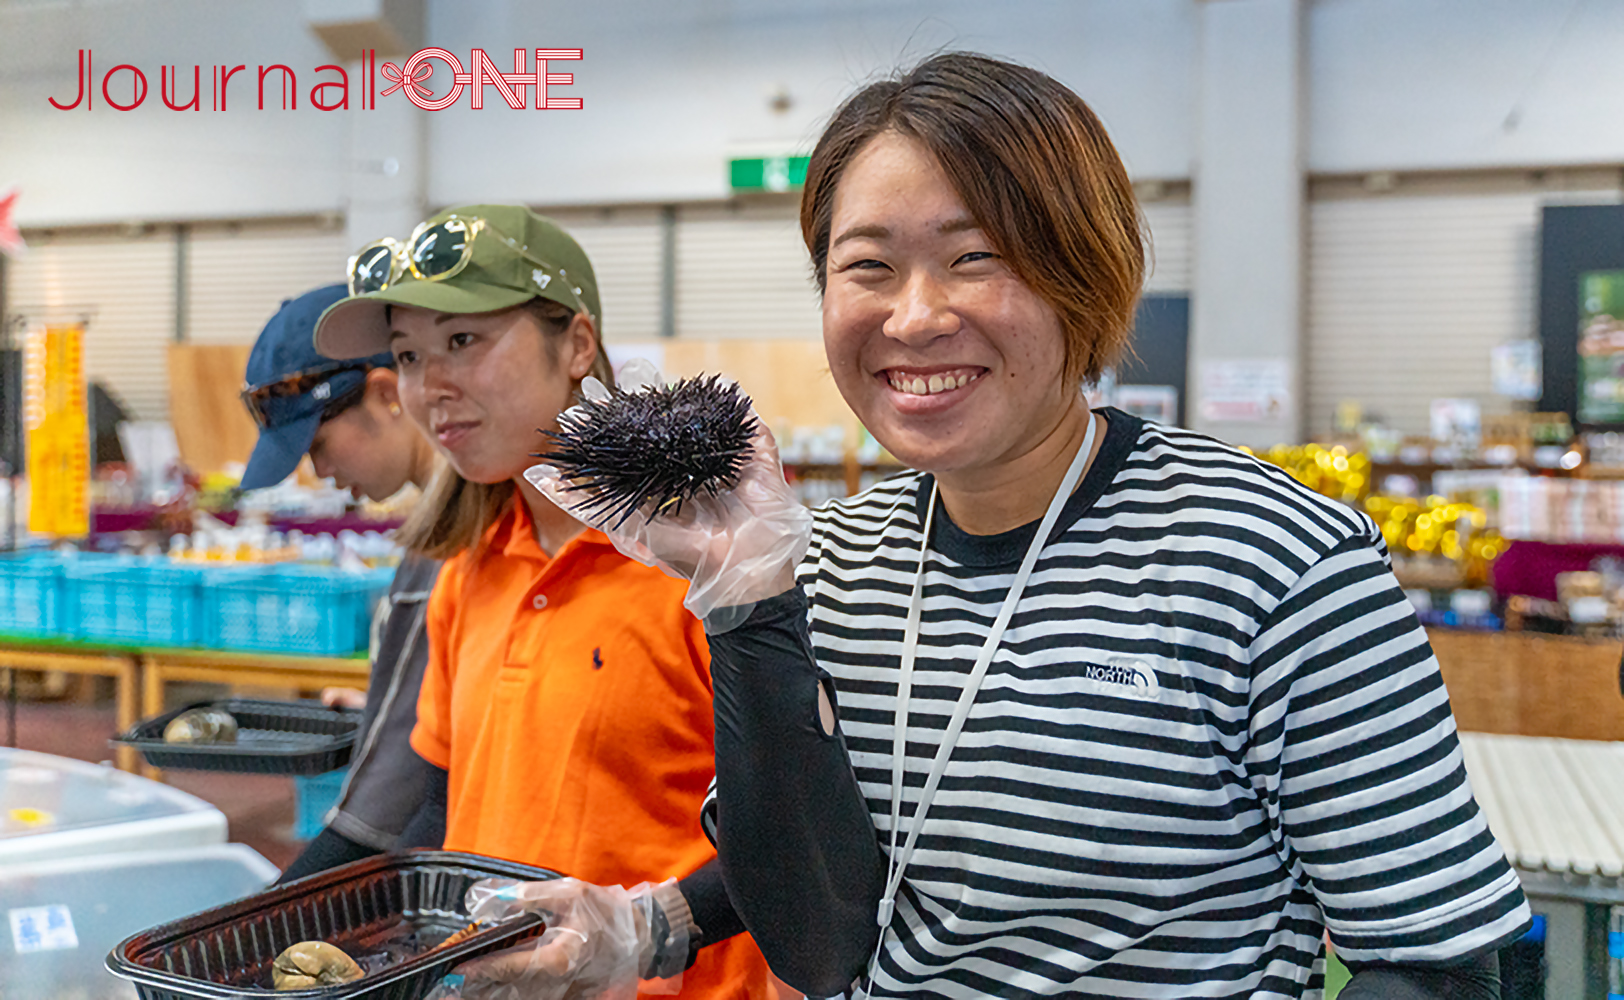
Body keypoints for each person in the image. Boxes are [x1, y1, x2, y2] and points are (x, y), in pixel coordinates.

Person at [530, 54, 1533, 999]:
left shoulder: (1277, 563)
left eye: (975, 257)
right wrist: (744, 614)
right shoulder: (828, 561)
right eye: (868, 266)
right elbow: (825, 924)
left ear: (1084, 274)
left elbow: (1437, 961)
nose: (915, 317)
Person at [312, 205, 774, 998]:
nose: (433, 388)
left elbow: (793, 839)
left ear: (578, 345)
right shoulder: (470, 570)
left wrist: (642, 932)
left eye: (464, 341)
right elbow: (443, 808)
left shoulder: (701, 567)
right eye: (409, 355)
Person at [237, 284, 444, 882]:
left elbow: (386, 802)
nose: (320, 472)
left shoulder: (453, 541)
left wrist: (268, 914)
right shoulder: (436, 530)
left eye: (319, 444)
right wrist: (388, 707)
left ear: (385, 394)